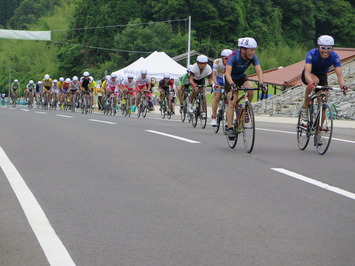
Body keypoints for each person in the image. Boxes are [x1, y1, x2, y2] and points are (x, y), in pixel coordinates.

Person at [301, 35, 346, 145]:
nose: (326, 51)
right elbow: (307, 72)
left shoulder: (334, 56)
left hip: (323, 76)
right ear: (318, 47)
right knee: (313, 83)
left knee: (324, 101)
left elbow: (339, 73)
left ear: (332, 49)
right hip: (310, 74)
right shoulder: (311, 54)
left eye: (329, 48)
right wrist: (310, 82)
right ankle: (305, 107)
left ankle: (318, 132)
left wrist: (342, 85)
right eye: (323, 48)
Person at [225, 37, 264, 140]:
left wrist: (261, 83)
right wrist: (232, 83)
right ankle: (229, 128)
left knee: (250, 88)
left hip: (241, 77)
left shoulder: (252, 57)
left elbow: (259, 70)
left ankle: (245, 108)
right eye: (251, 50)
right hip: (230, 79)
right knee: (232, 102)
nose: (253, 52)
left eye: (254, 49)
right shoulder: (233, 57)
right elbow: (227, 73)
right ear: (243, 50)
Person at [211, 49, 233, 126]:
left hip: (227, 79)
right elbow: (213, 75)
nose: (228, 60)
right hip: (218, 79)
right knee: (217, 96)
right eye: (226, 58)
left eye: (229, 58)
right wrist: (216, 83)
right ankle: (213, 117)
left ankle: (228, 120)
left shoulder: (232, 63)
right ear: (222, 58)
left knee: (230, 98)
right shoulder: (217, 62)